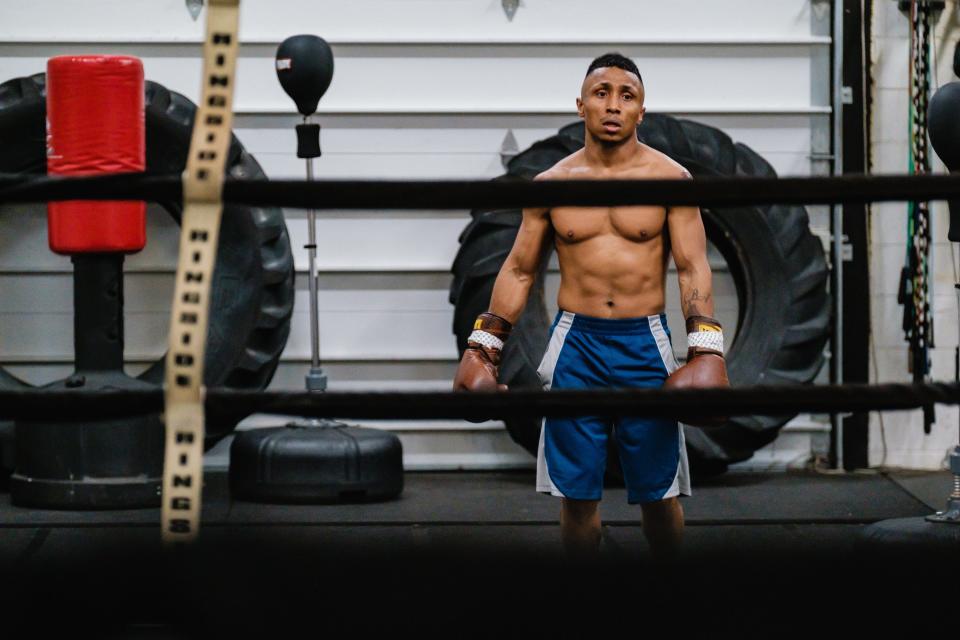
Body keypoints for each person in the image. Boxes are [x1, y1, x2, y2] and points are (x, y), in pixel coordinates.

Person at [454, 52, 728, 559]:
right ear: (580, 104)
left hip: (644, 344)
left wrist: (706, 350)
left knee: (658, 495)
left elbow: (693, 267)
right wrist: (482, 349)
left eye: (627, 96)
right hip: (575, 344)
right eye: (601, 93)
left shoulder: (671, 181)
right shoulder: (551, 186)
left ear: (642, 111)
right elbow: (518, 269)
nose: (613, 105)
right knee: (576, 497)